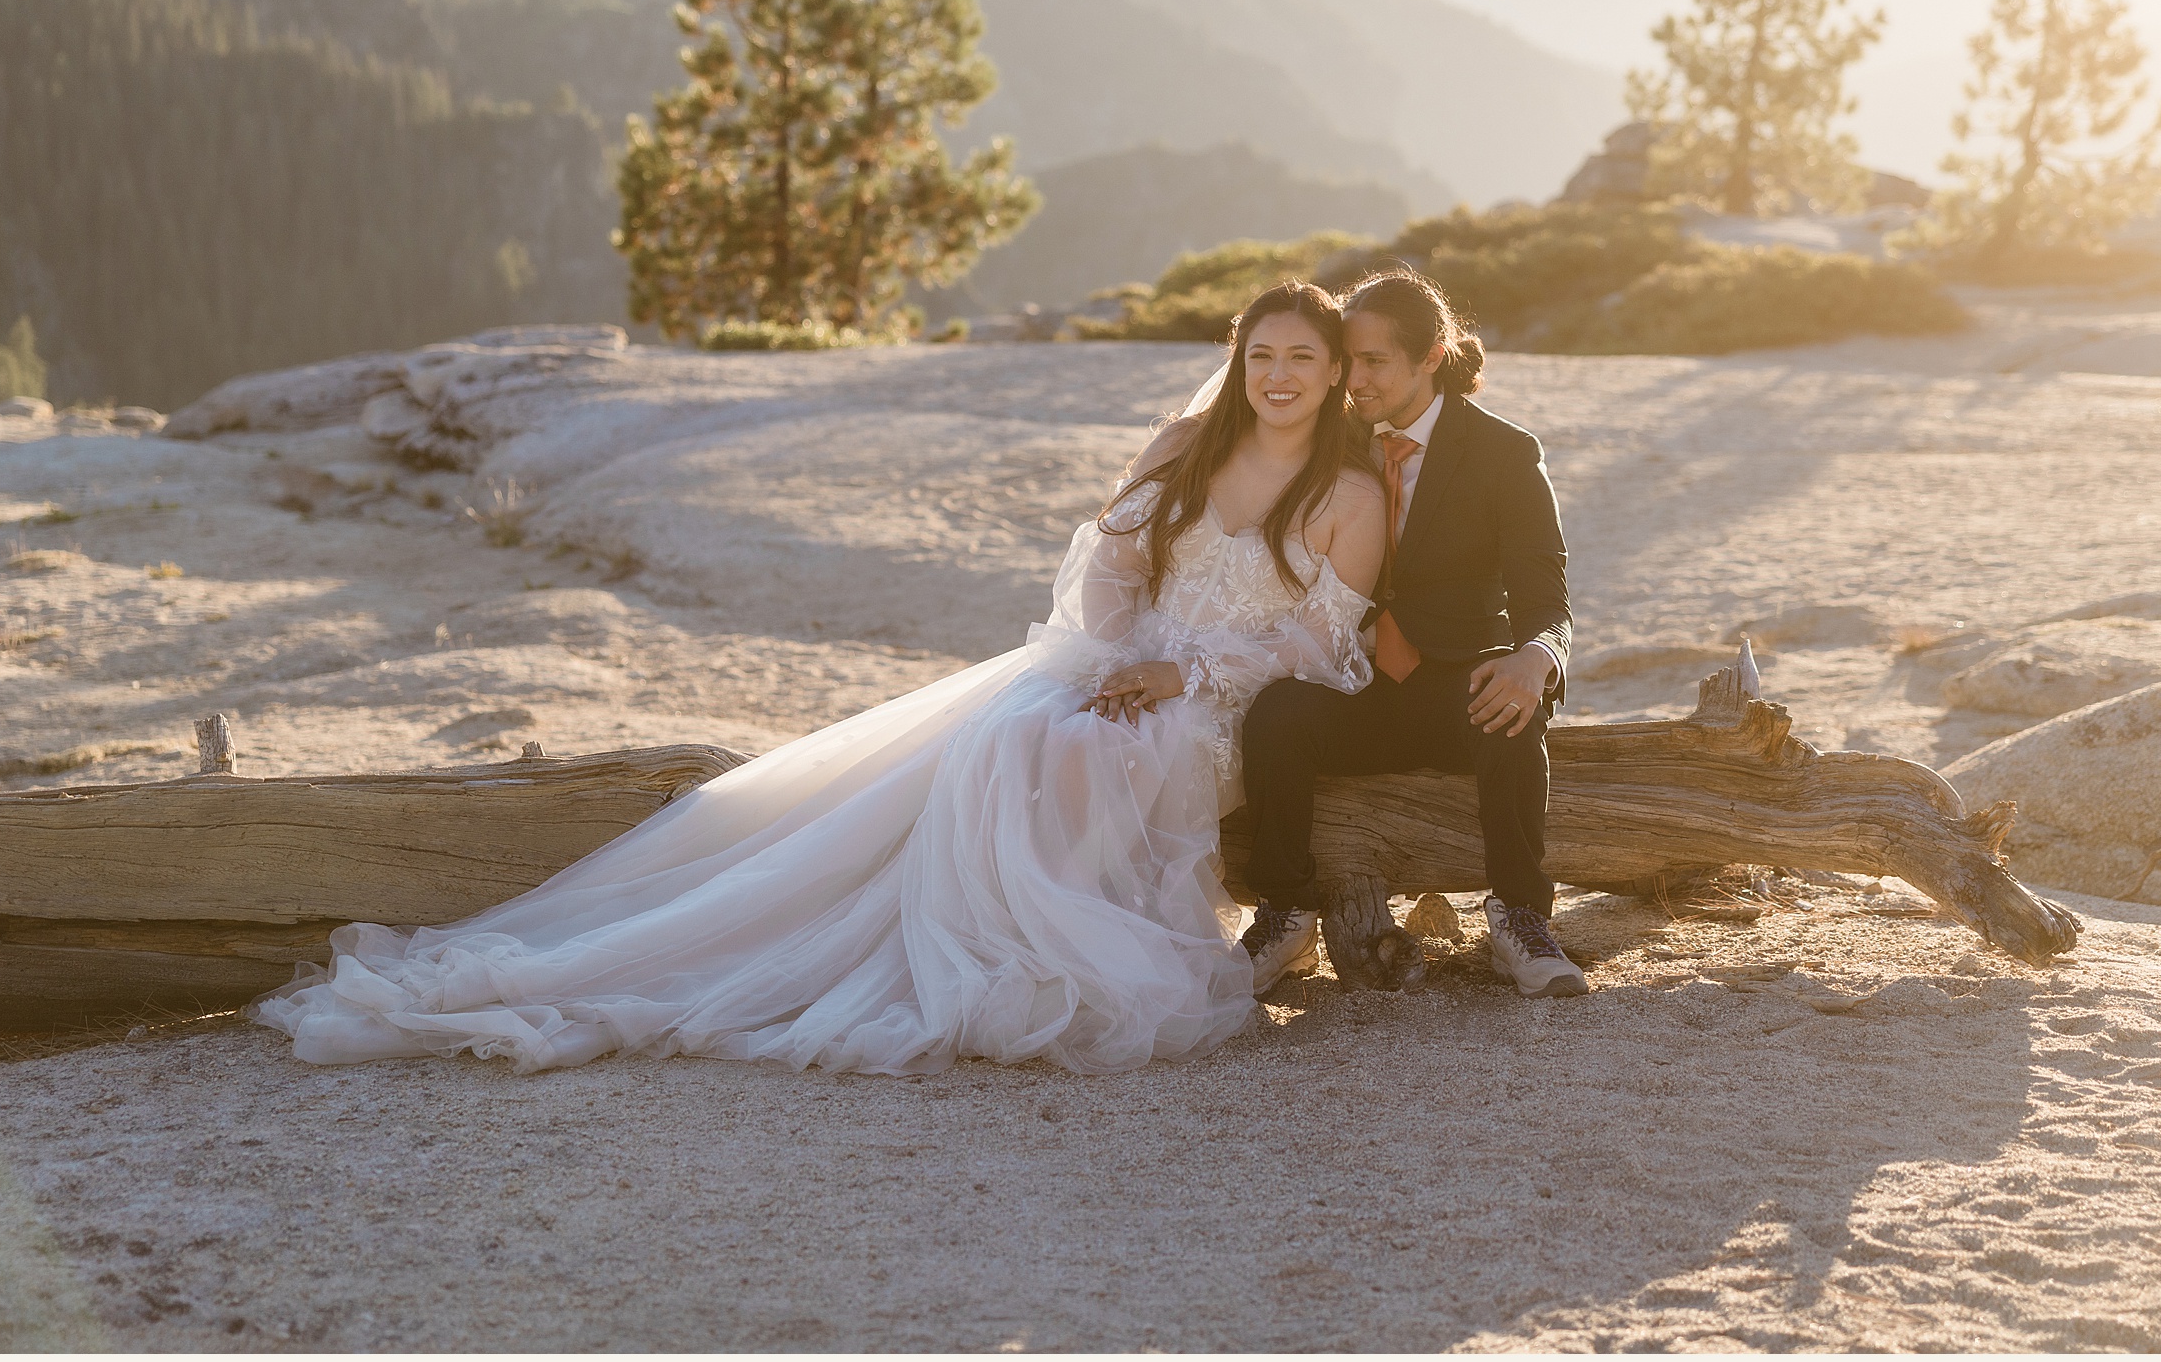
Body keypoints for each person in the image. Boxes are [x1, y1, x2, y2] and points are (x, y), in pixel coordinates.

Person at [253, 283, 1389, 1075]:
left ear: (1337, 371)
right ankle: (957, 947)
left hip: (1224, 697)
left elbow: (1320, 649)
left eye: (1301, 357)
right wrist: (1111, 647)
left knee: (1082, 750)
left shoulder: (1349, 494)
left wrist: (1176, 667)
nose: (1278, 375)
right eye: (1260, 355)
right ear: (1235, 366)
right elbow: (1113, 564)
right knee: (1004, 732)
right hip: (1118, 663)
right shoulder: (1186, 448)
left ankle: (1046, 958)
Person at [1236, 268, 1587, 999]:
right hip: (1357, 685)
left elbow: (1546, 596)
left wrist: (1537, 657)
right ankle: (1286, 916)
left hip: (1459, 684)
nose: (1354, 380)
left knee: (1512, 717)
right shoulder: (1333, 439)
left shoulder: (1505, 453)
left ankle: (1521, 920)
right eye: (1349, 360)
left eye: (1373, 362)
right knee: (1274, 716)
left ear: (1430, 357)